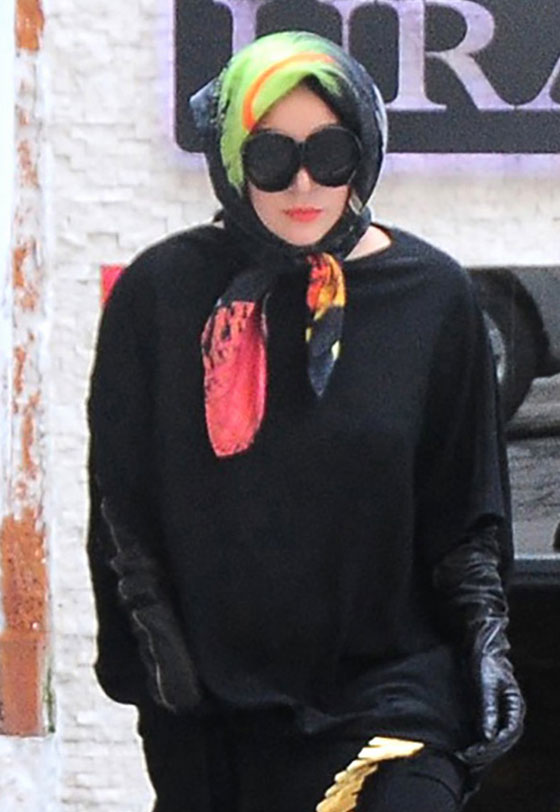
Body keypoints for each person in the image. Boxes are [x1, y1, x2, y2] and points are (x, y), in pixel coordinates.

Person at [87, 31, 525, 812]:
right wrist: (159, 654)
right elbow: (124, 500)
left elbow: (465, 514)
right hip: (219, 711)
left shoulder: (434, 298)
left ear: (366, 152)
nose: (302, 183)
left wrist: (487, 651)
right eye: (269, 156)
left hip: (393, 691)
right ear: (229, 157)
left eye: (330, 153)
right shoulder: (160, 295)